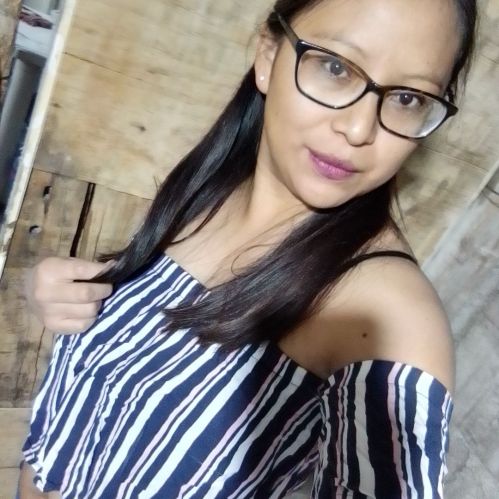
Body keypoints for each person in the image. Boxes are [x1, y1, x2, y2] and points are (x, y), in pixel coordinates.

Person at [18, 0, 477, 497]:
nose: (358, 129)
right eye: (335, 67)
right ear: (267, 55)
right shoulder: (208, 191)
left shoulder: (392, 319)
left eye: (408, 98)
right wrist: (62, 294)